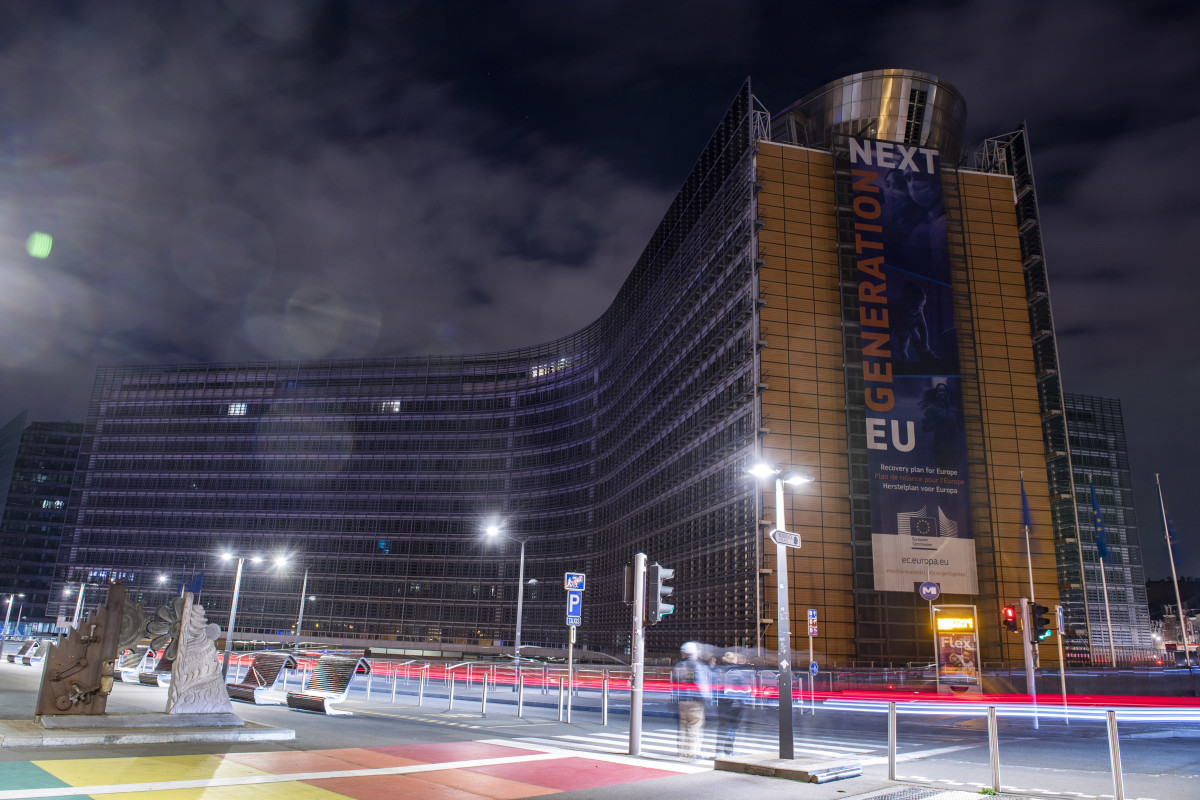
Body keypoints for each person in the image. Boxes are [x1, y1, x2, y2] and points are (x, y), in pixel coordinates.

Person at [671, 641, 712, 759]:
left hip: (682, 701)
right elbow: (701, 684)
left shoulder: (679, 666)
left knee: (683, 726)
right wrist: (708, 699)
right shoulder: (698, 666)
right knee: (694, 726)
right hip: (696, 702)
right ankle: (692, 752)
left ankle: (682, 752)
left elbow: (674, 683)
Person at [715, 651, 753, 756]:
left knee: (722, 726)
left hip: (722, 704)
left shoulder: (719, 671)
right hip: (734, 705)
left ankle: (718, 751)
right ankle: (728, 751)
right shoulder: (737, 672)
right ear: (733, 660)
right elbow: (744, 689)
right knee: (731, 728)